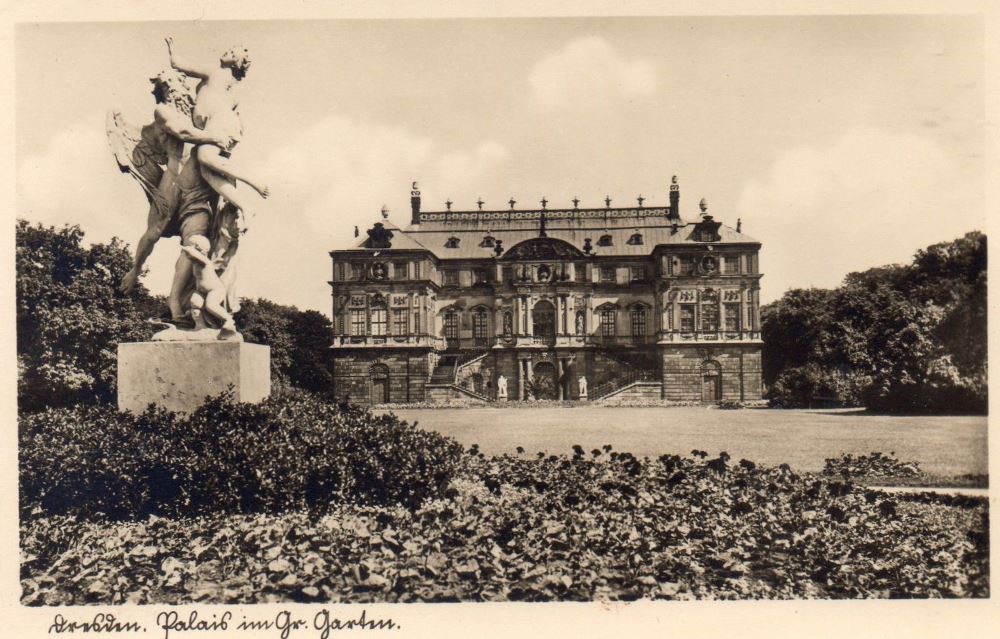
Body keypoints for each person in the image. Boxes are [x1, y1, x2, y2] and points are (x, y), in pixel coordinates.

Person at [164, 37, 269, 216]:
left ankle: (251, 180)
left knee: (205, 157)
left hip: (219, 122)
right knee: (207, 173)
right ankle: (245, 206)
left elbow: (178, 64)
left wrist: (172, 48)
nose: (227, 51)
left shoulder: (215, 71)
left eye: (232, 53)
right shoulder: (232, 87)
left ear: (236, 63)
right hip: (224, 124)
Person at [180, 234, 238, 339]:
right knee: (195, 302)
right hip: (202, 290)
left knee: (211, 305)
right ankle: (200, 326)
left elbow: (191, 253)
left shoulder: (203, 260)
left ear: (199, 249)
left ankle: (229, 321)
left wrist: (184, 247)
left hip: (215, 290)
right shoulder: (197, 261)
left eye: (191, 245)